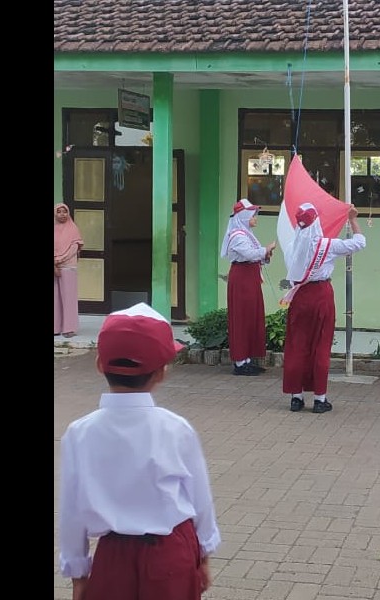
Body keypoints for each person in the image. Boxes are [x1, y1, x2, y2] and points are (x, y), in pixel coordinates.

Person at [58, 302, 222, 600]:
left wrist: (78, 574)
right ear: (161, 373)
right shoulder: (176, 429)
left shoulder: (79, 433)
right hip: (172, 553)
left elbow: (72, 511)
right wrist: (205, 554)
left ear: (99, 365)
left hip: (113, 556)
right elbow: (200, 500)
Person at [281, 202, 366, 413]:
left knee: (297, 345)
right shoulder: (328, 245)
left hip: (300, 297)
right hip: (321, 297)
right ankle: (320, 399)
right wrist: (352, 219)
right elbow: (359, 243)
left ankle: (296, 398)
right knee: (321, 345)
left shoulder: (291, 246)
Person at [220, 198, 277, 376]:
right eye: (253, 215)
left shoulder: (246, 234)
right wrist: (266, 249)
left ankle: (247, 359)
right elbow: (249, 254)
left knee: (251, 316)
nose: (255, 218)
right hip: (242, 279)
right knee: (242, 317)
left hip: (250, 278)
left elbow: (255, 256)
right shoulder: (238, 236)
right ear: (244, 217)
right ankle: (240, 361)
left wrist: (265, 254)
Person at [54, 202, 84, 338]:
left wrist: (59, 259)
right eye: (59, 211)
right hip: (54, 267)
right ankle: (56, 327)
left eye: (64, 211)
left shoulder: (73, 229)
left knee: (68, 298)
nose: (62, 214)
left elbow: (74, 248)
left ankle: (69, 328)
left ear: (68, 213)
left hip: (68, 266)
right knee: (55, 298)